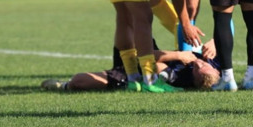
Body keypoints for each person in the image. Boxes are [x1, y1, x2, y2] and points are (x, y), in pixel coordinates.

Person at [40, 40, 220, 92]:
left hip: (134, 71)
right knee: (135, 21)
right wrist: (215, 42)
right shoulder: (215, 61)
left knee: (78, 81)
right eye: (203, 64)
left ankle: (62, 86)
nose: (198, 62)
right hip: (139, 54)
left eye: (197, 68)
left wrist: (178, 55)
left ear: (194, 79)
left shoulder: (182, 78)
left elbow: (150, 61)